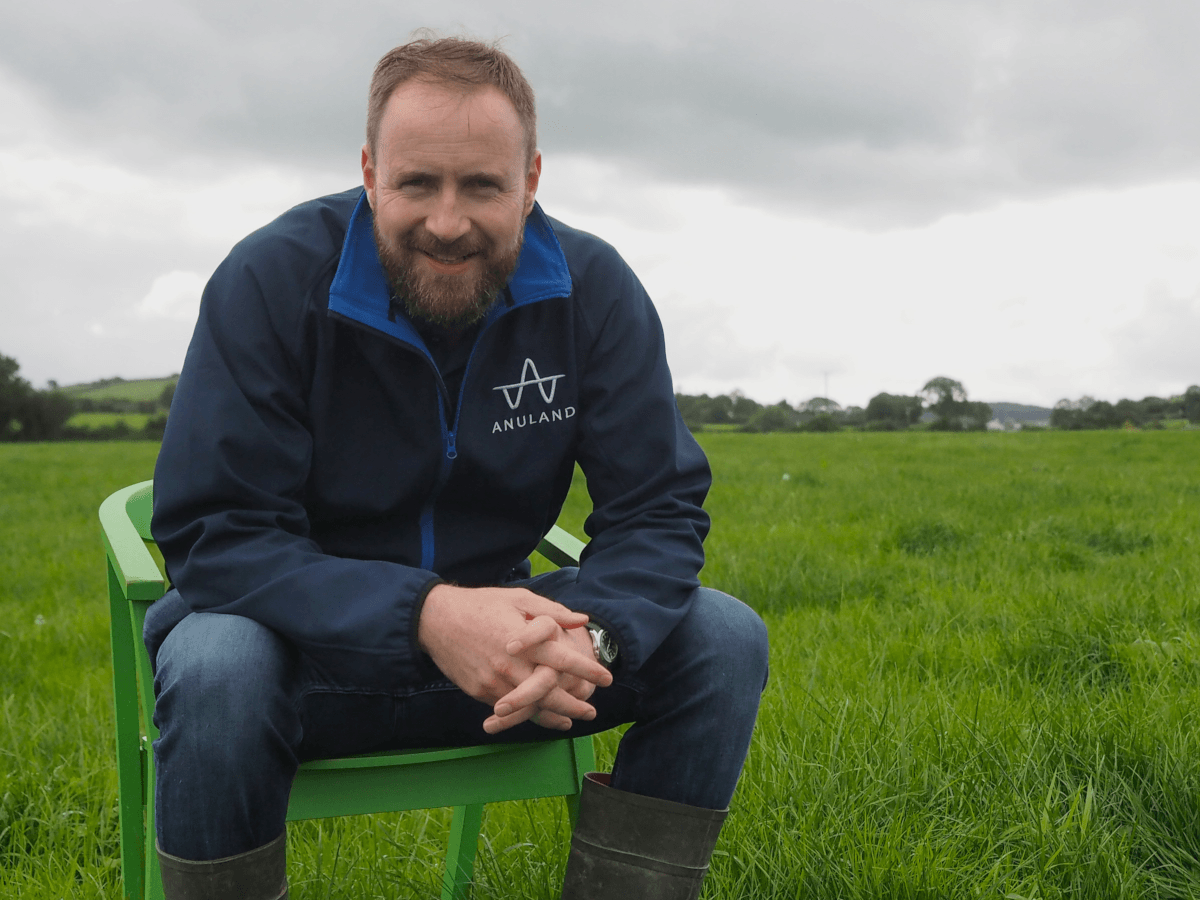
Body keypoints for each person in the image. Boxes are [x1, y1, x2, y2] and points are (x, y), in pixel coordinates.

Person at [148, 36, 768, 900]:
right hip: (303, 660)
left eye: (481, 185)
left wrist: (589, 637)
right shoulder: (270, 279)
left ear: (532, 179)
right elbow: (215, 535)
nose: (447, 221)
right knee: (215, 660)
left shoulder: (592, 290)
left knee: (724, 639)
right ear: (370, 174)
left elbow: (658, 512)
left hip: (514, 663)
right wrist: (428, 615)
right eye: (416, 184)